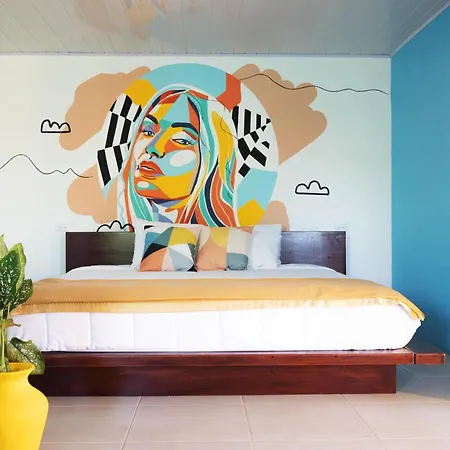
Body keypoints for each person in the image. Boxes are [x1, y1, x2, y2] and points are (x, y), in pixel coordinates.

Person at [120, 87, 238, 227]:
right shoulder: (124, 230)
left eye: (181, 139)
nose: (153, 147)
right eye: (148, 132)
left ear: (211, 162)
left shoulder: (221, 236)